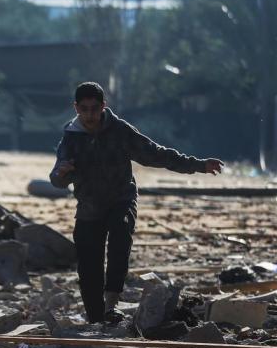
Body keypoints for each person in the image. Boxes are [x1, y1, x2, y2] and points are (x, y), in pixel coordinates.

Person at [49, 81, 224, 323]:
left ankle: (111, 305)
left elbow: (155, 154)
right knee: (89, 267)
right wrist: (61, 173)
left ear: (103, 106)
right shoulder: (71, 138)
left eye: (95, 108)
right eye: (85, 109)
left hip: (121, 199)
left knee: (120, 241)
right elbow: (57, 178)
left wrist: (198, 165)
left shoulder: (119, 130)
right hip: (89, 207)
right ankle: (95, 319)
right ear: (76, 108)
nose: (90, 115)